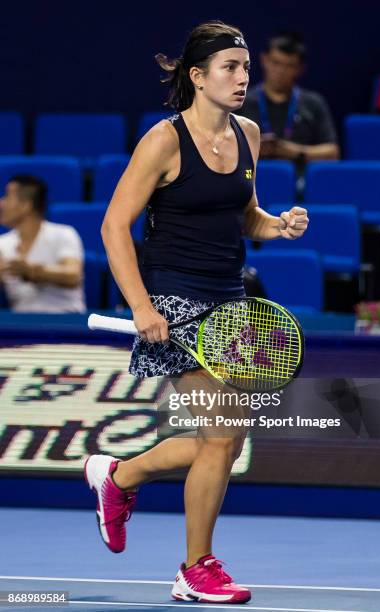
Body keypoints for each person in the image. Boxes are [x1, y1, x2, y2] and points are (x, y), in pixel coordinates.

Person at [84, 21, 308, 604]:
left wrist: (277, 226)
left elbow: (245, 215)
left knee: (225, 442)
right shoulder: (163, 140)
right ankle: (195, 569)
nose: (241, 78)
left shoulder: (249, 133)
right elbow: (113, 226)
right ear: (197, 76)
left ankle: (120, 476)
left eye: (244, 68)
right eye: (229, 68)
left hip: (229, 302)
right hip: (173, 299)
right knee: (222, 436)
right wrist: (141, 306)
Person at [236, 33, 339, 165]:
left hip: (300, 179)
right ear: (264, 60)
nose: (280, 71)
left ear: (300, 69)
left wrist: (294, 152)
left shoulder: (314, 103)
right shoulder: (240, 101)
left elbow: (332, 153)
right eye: (276, 63)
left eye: (289, 66)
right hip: (251, 177)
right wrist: (251, 147)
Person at [0, 175, 85, 313]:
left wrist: (33, 272)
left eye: (7, 196)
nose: (1, 203)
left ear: (25, 205)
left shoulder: (64, 234)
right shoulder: (2, 244)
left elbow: (73, 275)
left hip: (66, 320)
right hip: (21, 326)